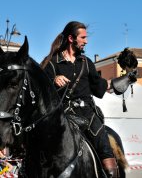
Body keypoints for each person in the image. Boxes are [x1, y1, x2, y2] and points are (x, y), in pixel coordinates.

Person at [41, 21, 119, 177]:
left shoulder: (86, 62)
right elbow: (41, 90)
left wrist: (123, 81)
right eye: (83, 37)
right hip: (62, 116)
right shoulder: (52, 63)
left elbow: (99, 87)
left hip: (88, 115)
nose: (86, 41)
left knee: (106, 151)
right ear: (71, 38)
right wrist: (54, 80)